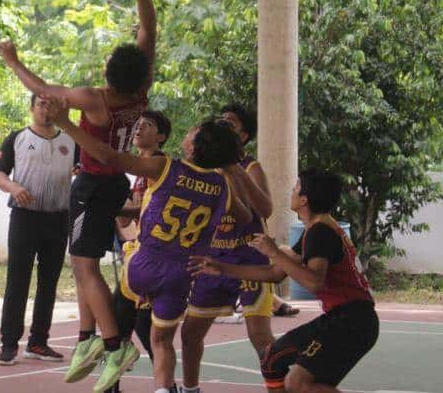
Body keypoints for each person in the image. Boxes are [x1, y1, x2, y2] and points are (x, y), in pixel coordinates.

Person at [0, 0, 157, 384]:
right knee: (87, 262)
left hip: (92, 183)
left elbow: (45, 91)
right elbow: (148, 33)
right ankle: (88, 335)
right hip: (112, 185)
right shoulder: (141, 91)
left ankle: (114, 345)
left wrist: (13, 62)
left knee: (83, 266)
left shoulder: (94, 100)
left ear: (108, 74)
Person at [50, 97, 272, 393]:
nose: (188, 132)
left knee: (87, 272)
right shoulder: (221, 188)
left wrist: (65, 122)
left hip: (145, 265)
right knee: (162, 340)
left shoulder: (166, 167)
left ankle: (103, 342)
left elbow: (108, 156)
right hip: (182, 275)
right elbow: (245, 215)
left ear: (194, 146)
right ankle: (162, 387)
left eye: (193, 131)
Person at [190, 170, 378, 393]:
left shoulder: (321, 232)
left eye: (296, 187)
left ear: (304, 199)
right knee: (272, 359)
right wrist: (222, 268)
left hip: (352, 321)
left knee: (297, 383)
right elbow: (275, 273)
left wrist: (274, 251)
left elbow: (313, 282)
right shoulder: (316, 230)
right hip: (345, 319)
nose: (292, 191)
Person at [181, 104, 275, 393]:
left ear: (243, 136)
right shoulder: (202, 168)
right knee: (190, 333)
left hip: (249, 255)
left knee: (259, 335)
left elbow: (265, 209)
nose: (223, 124)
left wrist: (233, 169)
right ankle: (190, 388)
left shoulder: (249, 167)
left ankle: (278, 385)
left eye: (231, 122)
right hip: (214, 258)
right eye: (220, 120)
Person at [0, 95, 77, 365]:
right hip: (24, 219)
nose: (46, 110)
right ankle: (9, 344)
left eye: (51, 105)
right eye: (41, 104)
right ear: (31, 108)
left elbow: (84, 170)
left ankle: (39, 342)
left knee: (49, 282)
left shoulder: (72, 141)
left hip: (58, 218)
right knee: (17, 280)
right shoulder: (16, 137)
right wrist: (15, 188)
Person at [105, 110, 170, 393]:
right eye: (138, 124)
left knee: (144, 329)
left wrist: (102, 205)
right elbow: (124, 220)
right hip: (138, 258)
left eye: (148, 125)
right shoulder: (137, 174)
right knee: (119, 323)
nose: (139, 128)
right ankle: (113, 386)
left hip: (156, 260)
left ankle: (167, 385)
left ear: (161, 137)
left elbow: (141, 210)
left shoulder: (160, 165)